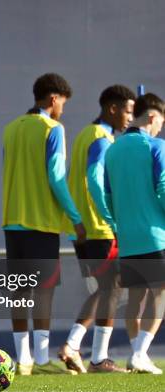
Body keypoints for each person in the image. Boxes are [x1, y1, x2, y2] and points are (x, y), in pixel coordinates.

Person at [2, 73, 86, 375]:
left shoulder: (11, 129)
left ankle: (21, 359)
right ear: (54, 99)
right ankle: (39, 360)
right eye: (63, 103)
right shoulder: (53, 128)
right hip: (42, 222)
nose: (62, 109)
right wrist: (76, 218)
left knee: (20, 291)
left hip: (12, 222)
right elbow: (56, 177)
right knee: (44, 292)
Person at [58, 85, 136, 374]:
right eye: (128, 111)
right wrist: (111, 217)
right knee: (110, 289)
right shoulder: (102, 138)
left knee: (107, 289)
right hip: (99, 228)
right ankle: (95, 357)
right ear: (113, 108)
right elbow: (94, 178)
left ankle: (76, 346)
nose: (130, 118)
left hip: (84, 228)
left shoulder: (85, 135)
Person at [103, 93, 165, 374]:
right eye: (161, 122)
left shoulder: (112, 149)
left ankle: (137, 353)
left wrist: (118, 224)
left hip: (127, 237)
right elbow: (163, 189)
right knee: (159, 295)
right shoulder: (155, 146)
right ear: (152, 116)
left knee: (136, 297)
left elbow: (107, 195)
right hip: (155, 234)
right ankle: (139, 353)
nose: (160, 128)